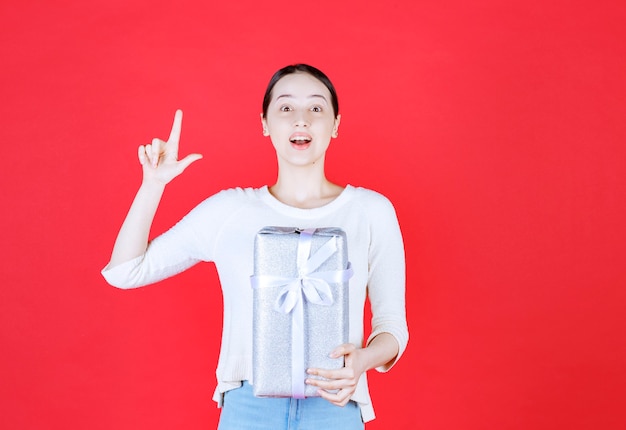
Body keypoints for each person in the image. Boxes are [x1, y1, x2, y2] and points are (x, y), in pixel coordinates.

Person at [102, 64, 408, 429]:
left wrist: (361, 360)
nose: (301, 120)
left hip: (335, 406)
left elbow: (392, 328)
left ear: (336, 124)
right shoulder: (231, 211)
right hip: (248, 408)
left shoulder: (371, 211)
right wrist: (153, 185)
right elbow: (125, 271)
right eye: (285, 108)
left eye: (315, 108)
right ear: (264, 123)